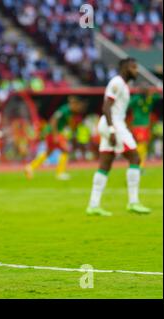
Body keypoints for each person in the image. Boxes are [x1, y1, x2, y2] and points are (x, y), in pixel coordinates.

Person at [86, 57, 151, 217]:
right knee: (135, 158)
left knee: (105, 165)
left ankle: (93, 205)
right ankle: (133, 202)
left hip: (112, 124)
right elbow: (106, 106)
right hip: (113, 124)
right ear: (124, 68)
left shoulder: (123, 85)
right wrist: (112, 130)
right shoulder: (117, 83)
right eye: (133, 67)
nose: (136, 71)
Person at [25, 95, 85, 180]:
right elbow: (53, 120)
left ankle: (30, 167)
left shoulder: (69, 112)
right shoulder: (65, 110)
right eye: (78, 105)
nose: (78, 108)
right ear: (74, 104)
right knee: (65, 150)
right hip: (52, 133)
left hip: (52, 132)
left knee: (48, 152)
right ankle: (60, 173)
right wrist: (55, 135)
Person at [128, 87, 161, 170]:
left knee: (143, 145)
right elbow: (128, 104)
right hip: (138, 125)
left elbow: (158, 96)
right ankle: (139, 165)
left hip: (144, 125)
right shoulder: (138, 98)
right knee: (141, 145)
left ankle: (139, 164)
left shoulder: (146, 97)